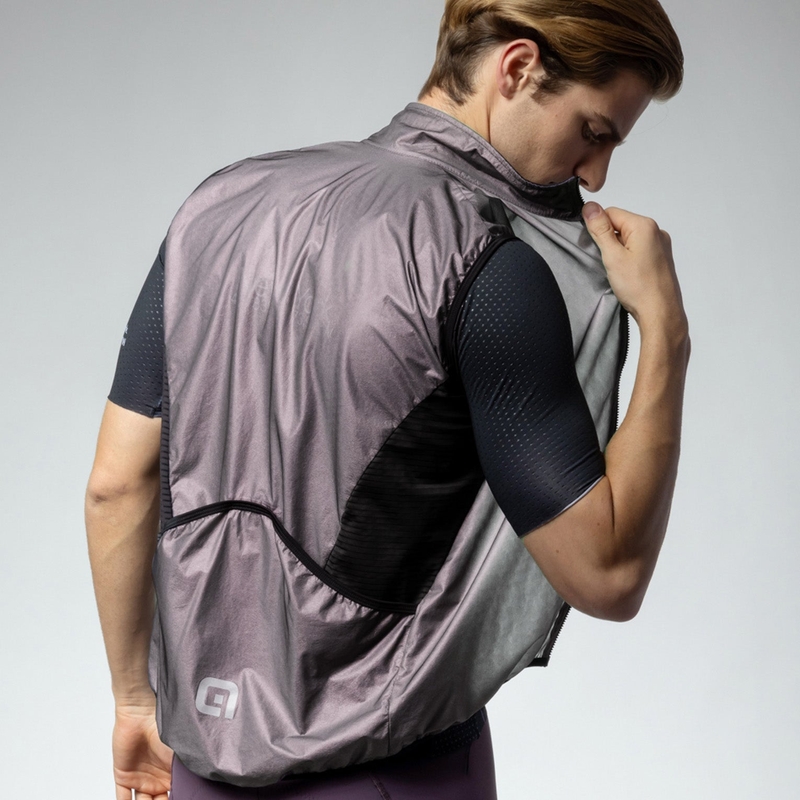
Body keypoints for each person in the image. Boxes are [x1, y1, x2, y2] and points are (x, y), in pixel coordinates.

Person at [85, 1, 689, 798]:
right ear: (517, 68)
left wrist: (136, 700)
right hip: (395, 773)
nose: (596, 173)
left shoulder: (218, 208)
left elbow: (117, 483)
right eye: (595, 131)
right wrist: (666, 330)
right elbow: (607, 574)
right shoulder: (491, 266)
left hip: (199, 766)